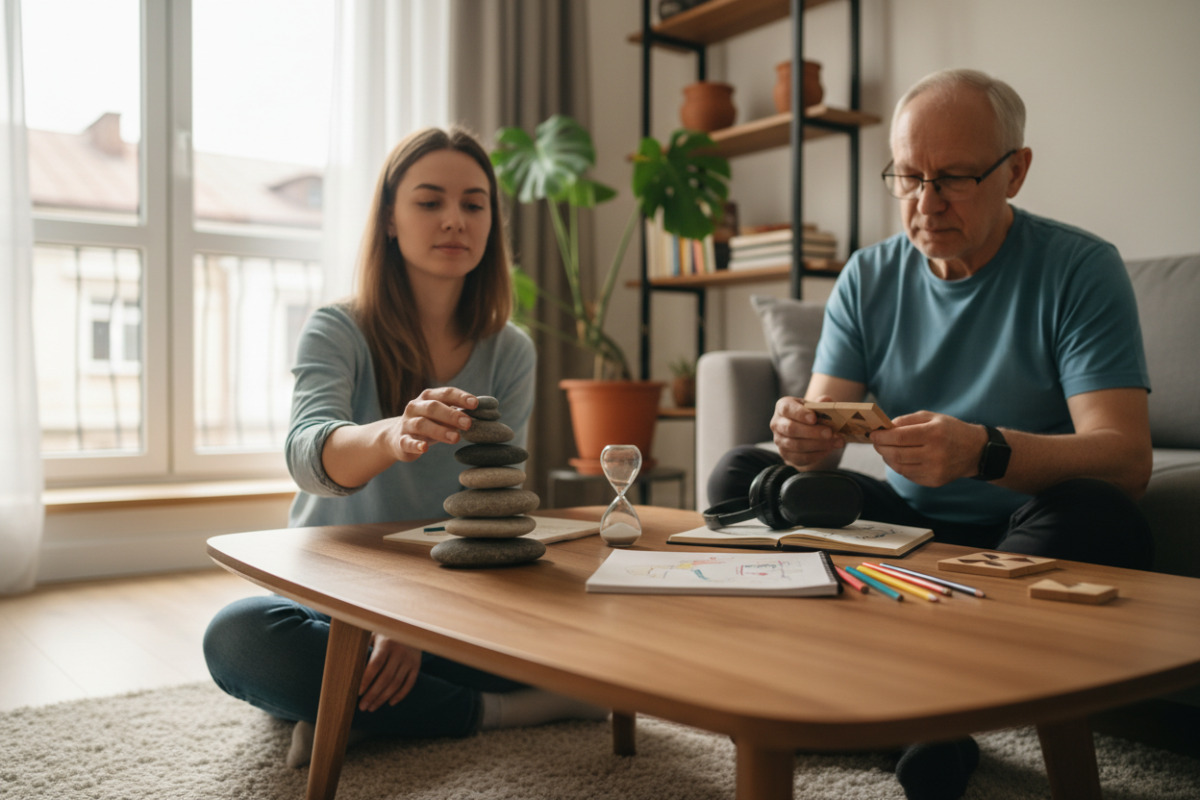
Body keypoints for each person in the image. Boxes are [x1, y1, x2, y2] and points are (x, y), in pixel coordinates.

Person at [708, 69, 1154, 800]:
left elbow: (1126, 459)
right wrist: (802, 436)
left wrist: (984, 451)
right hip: (909, 537)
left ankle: (898, 701)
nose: (925, 201)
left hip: (1024, 535)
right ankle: (928, 714)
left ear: (1016, 171)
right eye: (908, 176)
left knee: (1103, 513)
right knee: (745, 479)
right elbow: (822, 424)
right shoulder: (867, 276)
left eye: (953, 178)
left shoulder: (1080, 268)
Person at [204, 126, 606, 769]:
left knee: (584, 619)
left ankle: (351, 708)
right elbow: (307, 454)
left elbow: (494, 508)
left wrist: (415, 616)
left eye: (474, 204)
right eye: (429, 201)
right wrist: (392, 434)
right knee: (241, 639)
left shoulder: (511, 350)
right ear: (390, 218)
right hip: (331, 593)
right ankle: (496, 711)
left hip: (453, 595)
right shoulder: (337, 329)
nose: (454, 220)